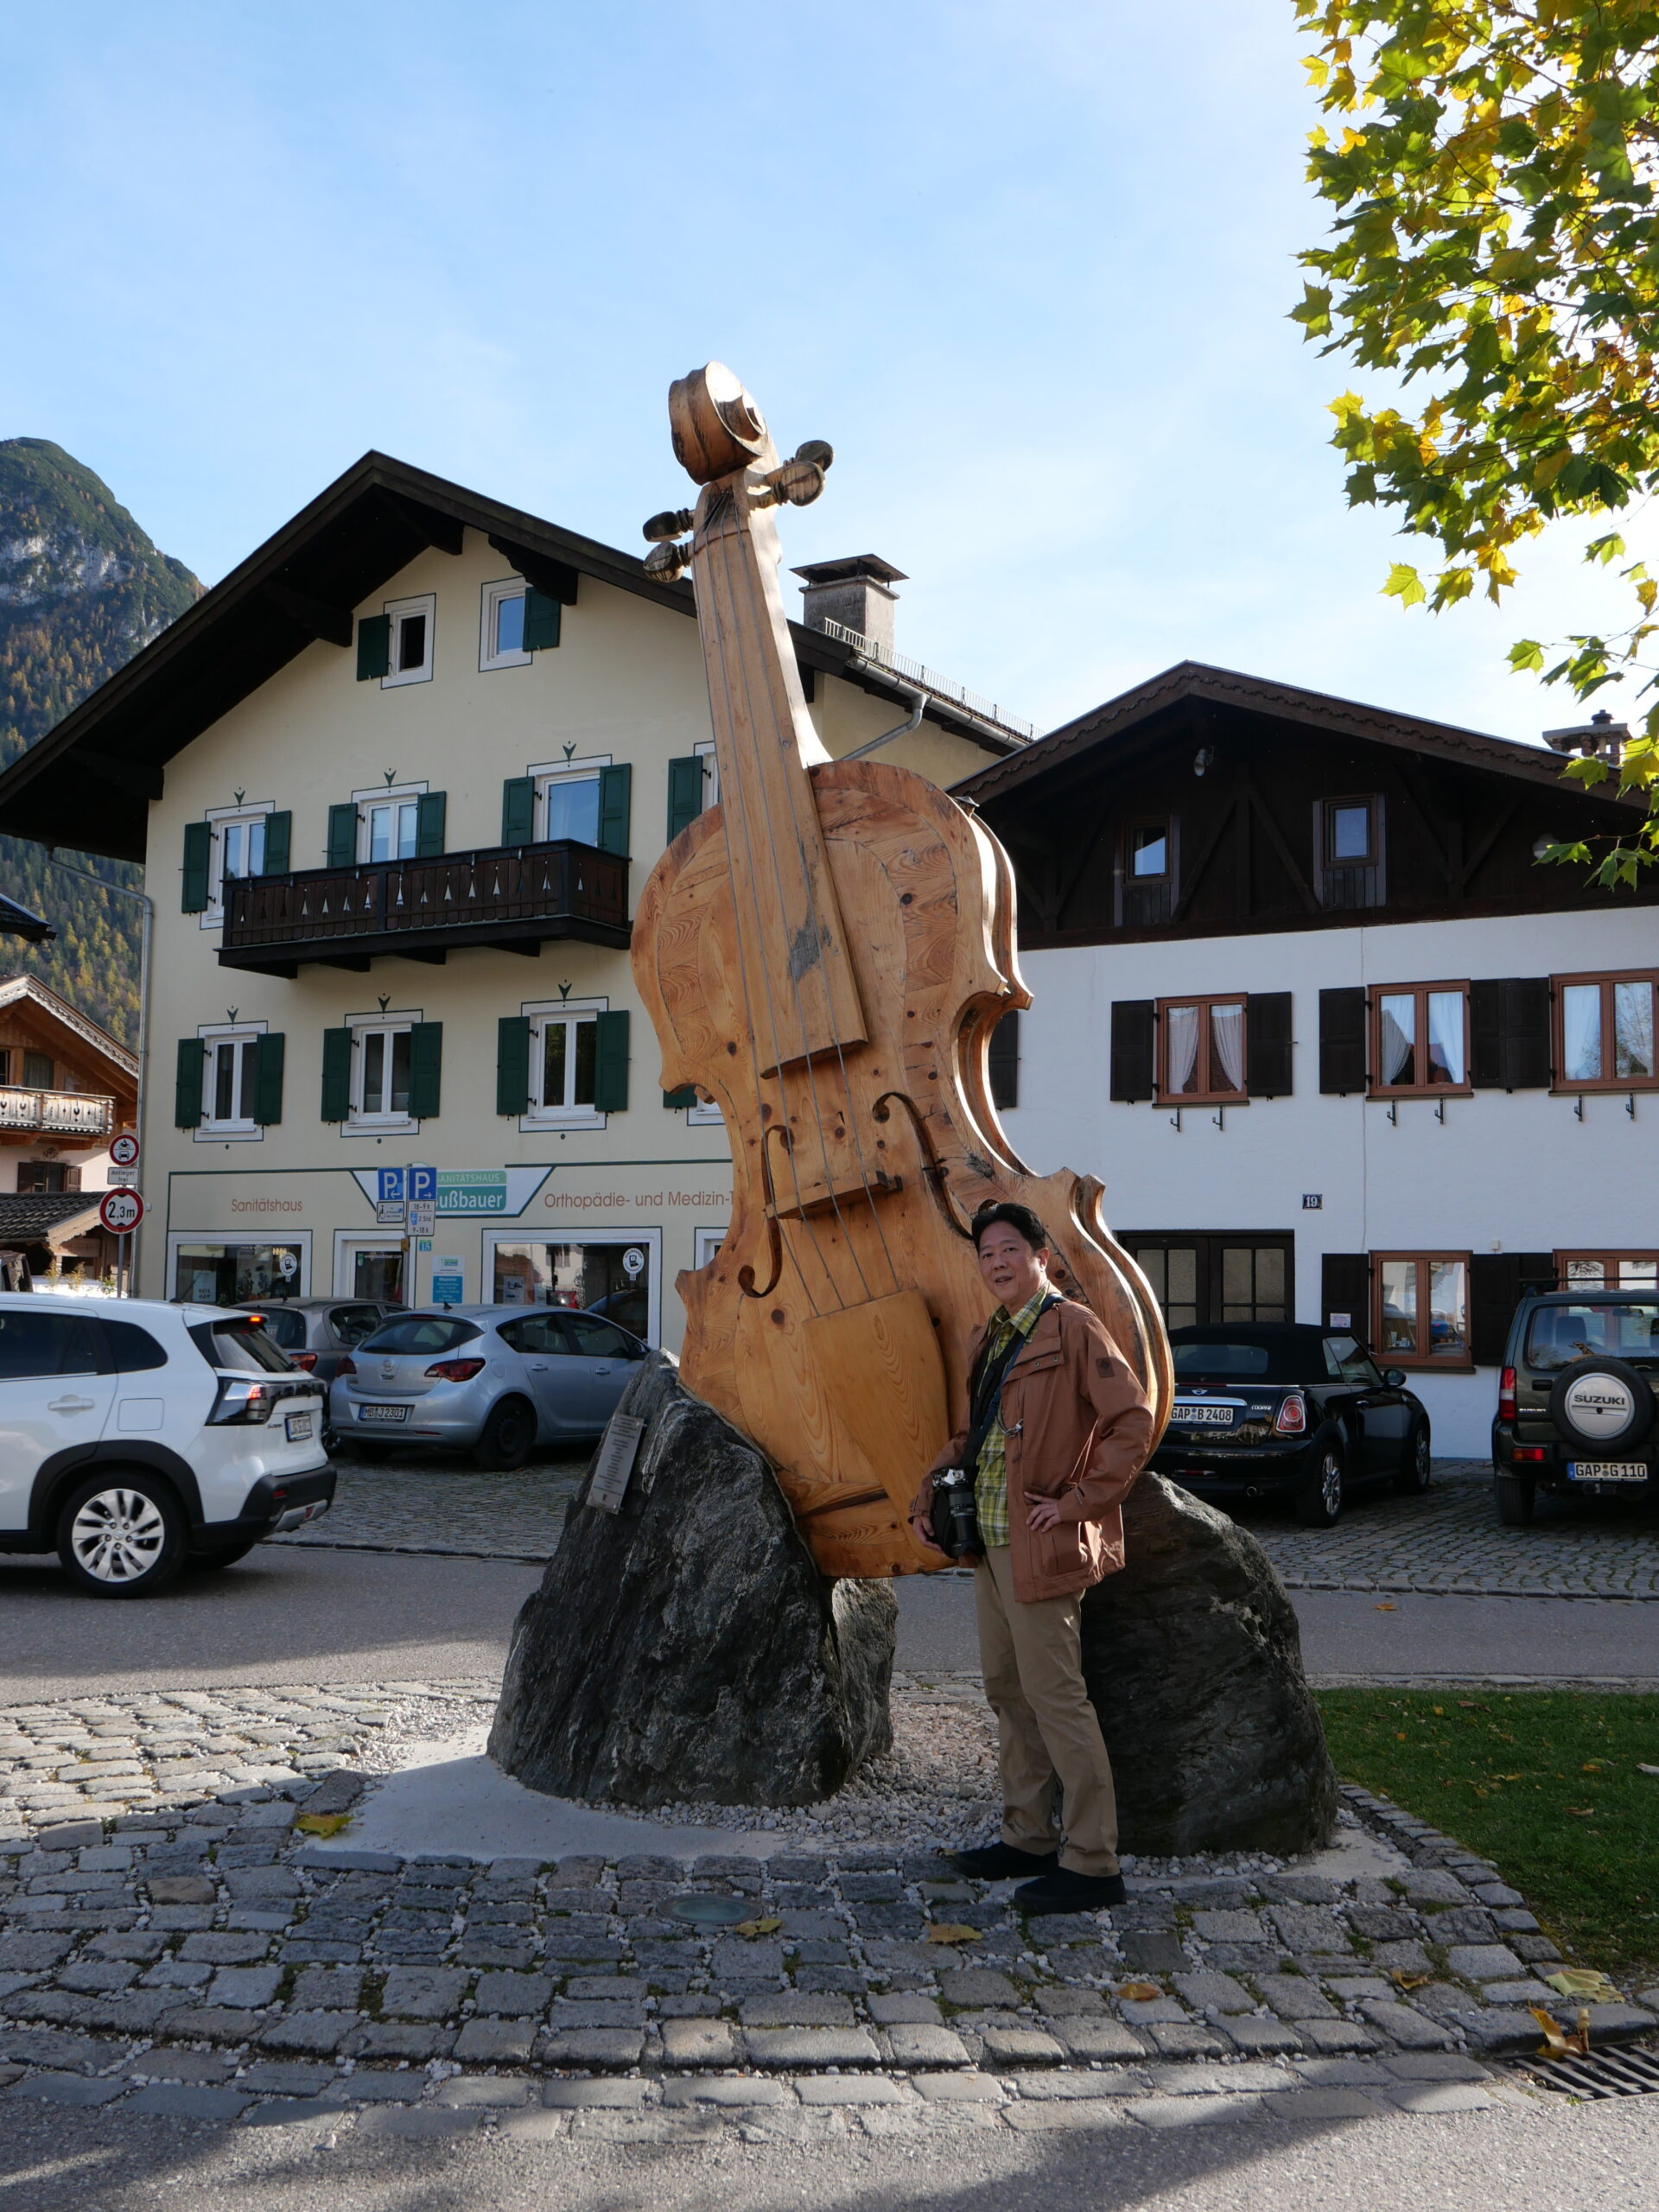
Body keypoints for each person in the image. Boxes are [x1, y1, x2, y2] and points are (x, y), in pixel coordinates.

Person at [911, 1201, 1154, 1912]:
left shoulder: (1073, 1327)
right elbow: (977, 1437)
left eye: (1010, 1248)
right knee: (1008, 1694)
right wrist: (927, 1494)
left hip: (1041, 1545)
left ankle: (1092, 1861)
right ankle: (1027, 1836)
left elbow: (1131, 1422)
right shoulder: (993, 1336)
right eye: (986, 1254)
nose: (996, 1262)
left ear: (1041, 1256)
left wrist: (1078, 1501)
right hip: (989, 1545)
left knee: (1056, 1700)